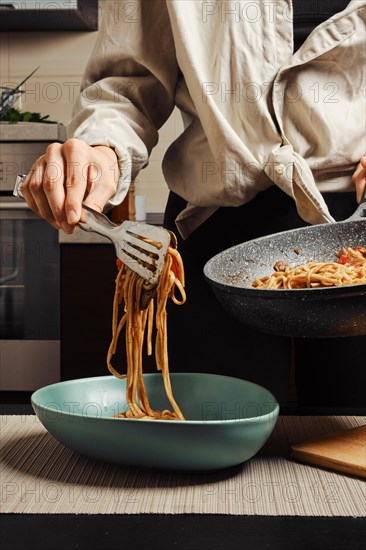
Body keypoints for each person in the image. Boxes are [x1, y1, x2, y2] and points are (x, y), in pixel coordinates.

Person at [20, 1, 366, 406]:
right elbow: (126, 83)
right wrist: (103, 151)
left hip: (355, 224)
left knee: (353, 444)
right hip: (213, 227)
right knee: (210, 438)